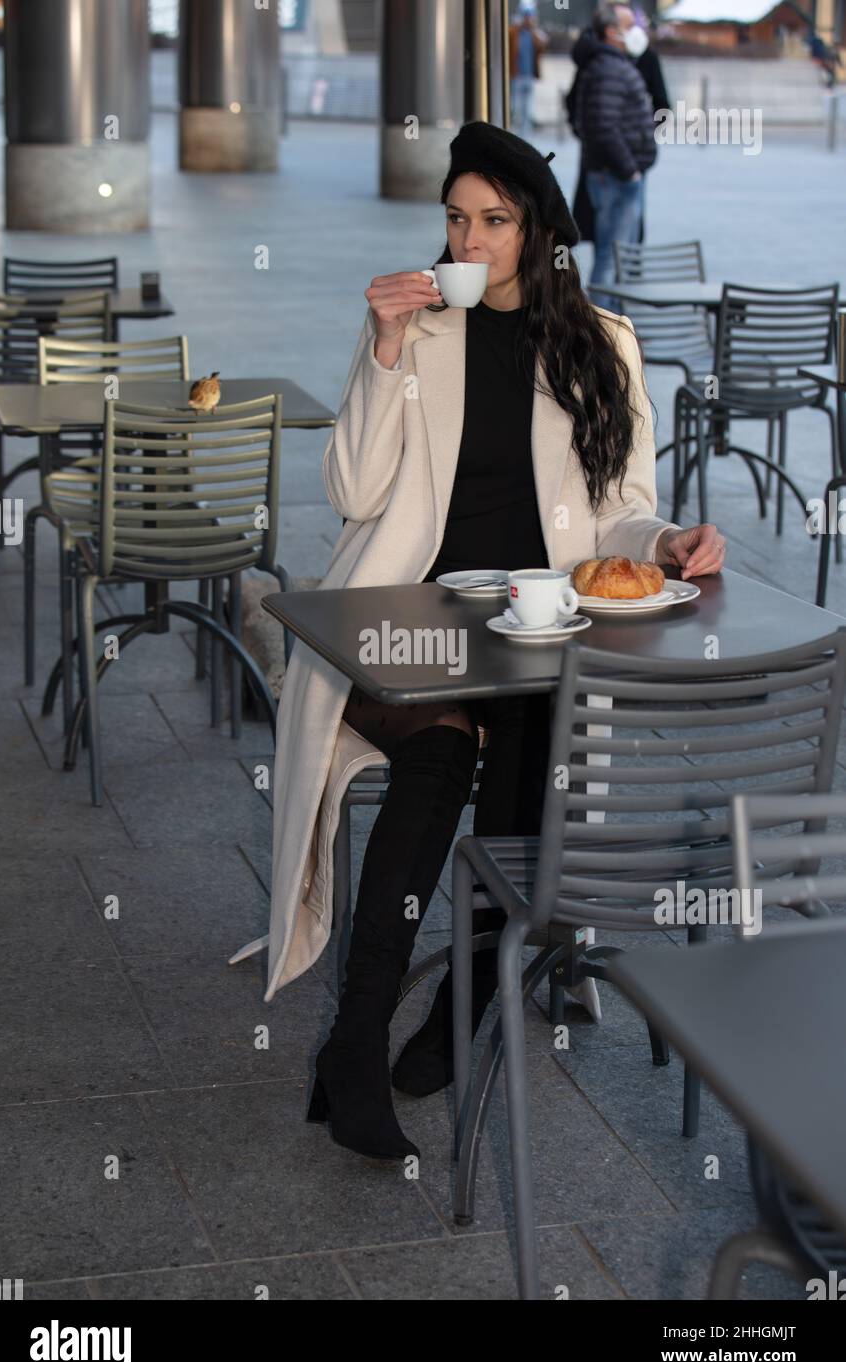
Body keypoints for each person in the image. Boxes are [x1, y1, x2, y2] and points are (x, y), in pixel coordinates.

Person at [257, 121, 727, 1165]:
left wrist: (669, 541)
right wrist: (380, 350)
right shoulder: (413, 330)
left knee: (532, 763)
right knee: (439, 754)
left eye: (493, 222)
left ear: (537, 234)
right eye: (455, 220)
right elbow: (351, 493)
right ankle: (355, 1037)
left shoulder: (601, 343)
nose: (467, 241)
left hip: (533, 626)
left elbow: (622, 515)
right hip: (402, 617)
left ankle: (459, 1009)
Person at [574, 3, 657, 311]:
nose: (636, 28)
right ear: (611, 31)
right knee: (611, 257)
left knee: (617, 257)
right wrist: (629, 170)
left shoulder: (610, 64)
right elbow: (603, 126)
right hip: (616, 177)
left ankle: (615, 328)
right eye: (628, 23)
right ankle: (604, 331)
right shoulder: (607, 68)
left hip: (617, 174)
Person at [509, 5, 548, 135]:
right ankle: (514, 130)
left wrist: (534, 30)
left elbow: (543, 45)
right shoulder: (515, 32)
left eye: (530, 18)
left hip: (529, 75)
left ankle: (525, 132)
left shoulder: (534, 34)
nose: (528, 20)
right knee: (515, 106)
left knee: (527, 107)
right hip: (517, 75)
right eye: (526, 18)